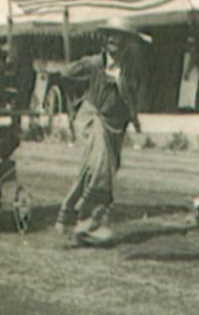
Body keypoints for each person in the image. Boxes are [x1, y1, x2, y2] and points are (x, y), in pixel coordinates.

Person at [54, 17, 146, 246]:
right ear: (105, 40)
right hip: (92, 119)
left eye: (120, 38)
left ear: (126, 43)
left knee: (97, 170)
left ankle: (82, 223)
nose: (114, 41)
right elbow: (65, 75)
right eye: (111, 37)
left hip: (115, 125)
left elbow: (131, 97)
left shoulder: (130, 70)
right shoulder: (93, 64)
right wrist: (76, 103)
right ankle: (88, 220)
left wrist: (134, 120)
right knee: (99, 166)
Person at [177, 35, 199, 112]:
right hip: (187, 72)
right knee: (186, 89)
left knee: (190, 89)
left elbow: (191, 62)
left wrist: (187, 71)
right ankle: (185, 105)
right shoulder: (187, 52)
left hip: (191, 73)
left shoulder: (193, 53)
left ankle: (189, 106)